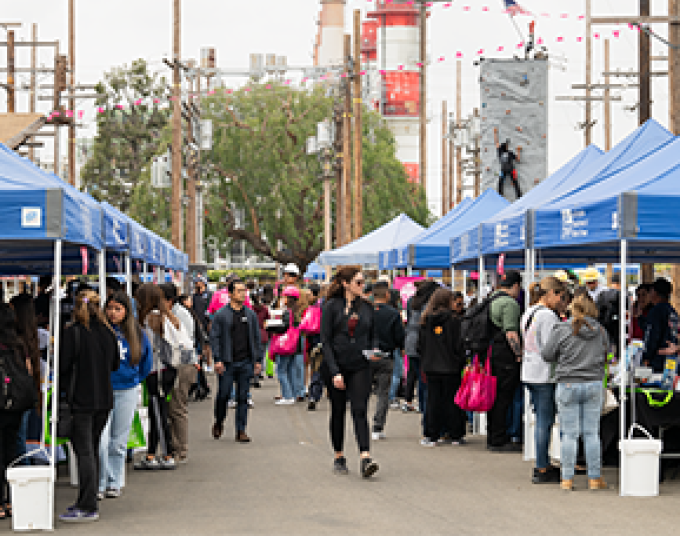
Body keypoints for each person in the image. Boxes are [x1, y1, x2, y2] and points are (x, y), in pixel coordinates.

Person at [59, 290, 120, 522]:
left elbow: (64, 366)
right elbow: (114, 365)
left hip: (80, 400)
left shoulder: (73, 334)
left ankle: (87, 504)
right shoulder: (108, 333)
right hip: (103, 399)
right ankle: (89, 499)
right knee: (91, 449)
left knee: (84, 451)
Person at [542, 294, 609, 491]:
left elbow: (547, 355)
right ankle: (595, 478)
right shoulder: (600, 330)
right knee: (591, 433)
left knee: (569, 435)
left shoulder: (562, 329)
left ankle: (567, 478)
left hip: (567, 383)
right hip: (593, 384)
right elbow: (607, 354)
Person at [320, 266, 379, 478]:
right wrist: (335, 371)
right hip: (336, 365)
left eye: (364, 282)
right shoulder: (331, 307)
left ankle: (365, 457)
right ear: (346, 284)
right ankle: (339, 455)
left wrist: (373, 353)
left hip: (360, 366)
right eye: (359, 282)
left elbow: (373, 337)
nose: (363, 286)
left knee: (360, 409)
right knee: (338, 410)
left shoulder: (367, 308)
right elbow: (325, 341)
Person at [99, 291, 152, 499]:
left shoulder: (137, 333)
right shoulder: (101, 331)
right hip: (103, 389)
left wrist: (134, 379)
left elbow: (146, 362)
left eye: (117, 309)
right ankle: (100, 481)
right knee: (101, 440)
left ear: (126, 311)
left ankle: (114, 481)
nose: (112, 313)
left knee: (118, 441)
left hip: (127, 389)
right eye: (109, 308)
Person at [520, 277, 566, 484]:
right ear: (551, 294)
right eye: (560, 295)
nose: (561, 300)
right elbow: (550, 348)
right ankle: (542, 466)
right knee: (545, 422)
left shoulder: (529, 312)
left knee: (541, 419)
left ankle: (542, 463)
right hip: (544, 373)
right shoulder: (547, 316)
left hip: (529, 371)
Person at [210, 280, 263, 443]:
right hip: (227, 362)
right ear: (231, 293)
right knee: (223, 395)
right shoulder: (221, 315)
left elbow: (256, 338)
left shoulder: (250, 314)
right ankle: (219, 420)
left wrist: (257, 360)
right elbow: (215, 338)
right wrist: (217, 359)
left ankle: (241, 430)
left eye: (244, 290)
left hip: (245, 361)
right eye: (239, 291)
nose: (243, 293)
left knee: (243, 397)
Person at [134, 284, 179, 470]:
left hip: (156, 371)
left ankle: (166, 454)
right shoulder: (166, 316)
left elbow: (148, 349)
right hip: (168, 369)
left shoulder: (150, 320)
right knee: (158, 412)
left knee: (158, 413)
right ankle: (153, 453)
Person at [0, 304, 39, 520]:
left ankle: (0, 502)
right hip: (16, 406)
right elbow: (28, 373)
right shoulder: (18, 344)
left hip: (1, 404)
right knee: (12, 451)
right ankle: (14, 501)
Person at [418, 288, 466, 447]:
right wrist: (460, 360)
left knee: (433, 401)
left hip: (431, 366)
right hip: (451, 366)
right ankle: (455, 434)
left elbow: (420, 345)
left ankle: (432, 434)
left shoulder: (425, 320)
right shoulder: (455, 320)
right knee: (452, 401)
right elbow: (459, 345)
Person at [160, 283, 197, 464]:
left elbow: (184, 345)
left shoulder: (177, 315)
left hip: (182, 365)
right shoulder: (176, 313)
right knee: (175, 408)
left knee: (177, 408)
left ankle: (180, 449)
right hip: (182, 364)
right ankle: (176, 446)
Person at [487, 270, 523, 452]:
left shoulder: (491, 298)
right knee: (503, 397)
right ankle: (499, 438)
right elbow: (511, 333)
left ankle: (493, 435)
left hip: (491, 353)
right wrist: (518, 353)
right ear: (516, 285)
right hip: (505, 356)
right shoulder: (510, 304)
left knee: (494, 397)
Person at [9, 295, 42, 468]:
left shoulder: (17, 340)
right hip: (28, 392)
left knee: (18, 440)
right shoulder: (33, 336)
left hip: (17, 395)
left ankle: (25, 472)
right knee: (20, 439)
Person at [371, 285, 405, 440]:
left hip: (367, 356)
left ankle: (361, 423)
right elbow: (399, 336)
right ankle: (377, 427)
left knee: (362, 391)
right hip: (386, 355)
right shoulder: (393, 313)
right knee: (383, 393)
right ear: (386, 295)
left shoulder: (366, 312)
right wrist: (399, 347)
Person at [403, 281, 439, 414]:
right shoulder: (428, 305)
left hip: (411, 342)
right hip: (422, 344)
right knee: (425, 380)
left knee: (419, 376)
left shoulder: (412, 302)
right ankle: (425, 409)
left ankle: (423, 407)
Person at [642, 278, 680, 373]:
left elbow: (652, 335)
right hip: (672, 359)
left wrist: (647, 357)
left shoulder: (656, 311)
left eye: (650, 292)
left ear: (654, 292)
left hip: (658, 361)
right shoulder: (672, 311)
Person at [494, 127, 522, 199]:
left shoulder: (504, 152)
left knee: (503, 183)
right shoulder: (507, 152)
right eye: (506, 146)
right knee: (502, 183)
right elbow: (496, 143)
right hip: (508, 169)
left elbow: (518, 159)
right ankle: (501, 195)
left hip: (506, 169)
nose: (507, 146)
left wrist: (518, 151)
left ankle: (519, 196)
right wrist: (495, 133)